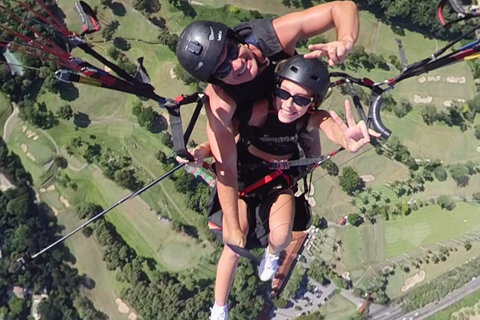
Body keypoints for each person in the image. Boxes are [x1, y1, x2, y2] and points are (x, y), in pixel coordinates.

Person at [178, 56, 375, 320]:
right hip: (244, 181)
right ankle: (219, 308)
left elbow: (327, 123)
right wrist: (201, 151)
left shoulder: (307, 119)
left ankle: (272, 254)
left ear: (312, 103)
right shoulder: (260, 111)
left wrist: (345, 139)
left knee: (282, 236)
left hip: (276, 182)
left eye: (301, 100)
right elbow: (224, 134)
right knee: (234, 241)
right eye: (284, 93)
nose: (290, 104)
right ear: (276, 89)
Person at [175, 1, 360, 255]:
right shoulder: (220, 102)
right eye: (223, 69)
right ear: (215, 81)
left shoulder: (267, 38)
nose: (236, 64)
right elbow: (226, 167)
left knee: (307, 139)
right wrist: (233, 227)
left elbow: (340, 7)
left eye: (230, 51)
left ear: (232, 37)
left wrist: (345, 39)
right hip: (254, 131)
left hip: (291, 110)